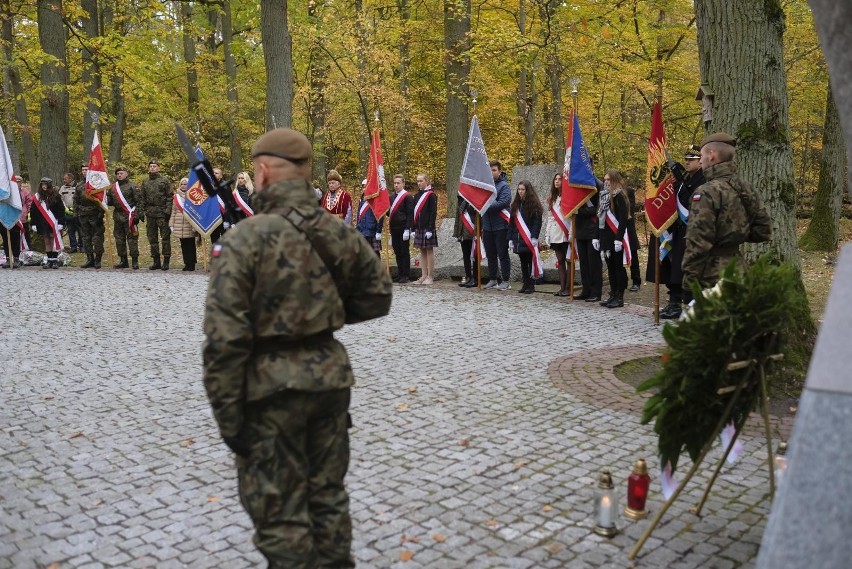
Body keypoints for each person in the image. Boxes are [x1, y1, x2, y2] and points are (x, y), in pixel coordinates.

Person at [202, 127, 391, 568]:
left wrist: (230, 422)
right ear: (307, 174)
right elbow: (378, 296)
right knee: (327, 499)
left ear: (263, 172)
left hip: (270, 395)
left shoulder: (245, 239)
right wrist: (321, 314)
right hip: (329, 381)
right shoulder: (336, 231)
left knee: (281, 515)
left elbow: (224, 341)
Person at [682, 132, 771, 289]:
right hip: (740, 271)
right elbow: (763, 231)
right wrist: (734, 235)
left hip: (710, 278)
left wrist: (690, 283)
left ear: (712, 155)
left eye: (701, 156)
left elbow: (697, 243)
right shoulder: (745, 188)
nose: (700, 161)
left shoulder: (706, 192)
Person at [646, 145, 707, 319]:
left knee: (681, 269)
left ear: (700, 162)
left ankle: (680, 303)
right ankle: (673, 301)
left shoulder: (703, 180)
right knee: (672, 267)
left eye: (691, 160)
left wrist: (680, 180)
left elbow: (692, 202)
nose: (687, 162)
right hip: (677, 229)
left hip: (691, 229)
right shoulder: (686, 177)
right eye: (686, 159)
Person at [594, 169, 631, 308]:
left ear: (615, 180)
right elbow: (600, 217)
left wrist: (618, 239)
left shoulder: (620, 195)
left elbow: (623, 219)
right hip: (605, 236)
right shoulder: (603, 195)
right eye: (605, 180)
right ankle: (613, 293)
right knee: (610, 267)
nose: (606, 182)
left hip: (616, 236)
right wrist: (596, 237)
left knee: (618, 267)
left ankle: (619, 296)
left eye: (609, 179)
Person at [507, 180, 543, 294]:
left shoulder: (534, 205)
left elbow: (537, 222)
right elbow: (512, 223)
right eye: (519, 189)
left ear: (528, 191)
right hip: (518, 239)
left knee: (530, 262)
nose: (520, 192)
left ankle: (531, 285)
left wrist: (534, 237)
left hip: (528, 239)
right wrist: (510, 239)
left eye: (523, 189)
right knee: (523, 262)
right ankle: (525, 283)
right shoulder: (516, 205)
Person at [482, 160, 512, 290]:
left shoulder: (504, 186)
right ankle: (493, 278)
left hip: (501, 226)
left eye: (494, 170)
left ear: (499, 171)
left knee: (502, 254)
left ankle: (505, 280)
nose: (491, 172)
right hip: (487, 226)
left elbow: (503, 202)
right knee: (490, 255)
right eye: (490, 170)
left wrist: (486, 204)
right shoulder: (484, 185)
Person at [108, 164, 142, 269]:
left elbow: (139, 202)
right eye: (117, 174)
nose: (119, 175)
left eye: (121, 173)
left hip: (130, 216)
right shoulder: (113, 187)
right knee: (119, 239)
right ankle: (123, 260)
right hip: (118, 216)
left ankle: (135, 261)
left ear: (126, 174)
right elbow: (110, 202)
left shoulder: (132, 186)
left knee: (132, 239)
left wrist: (137, 216)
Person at [140, 159, 173, 270]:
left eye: (154, 166)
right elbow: (142, 198)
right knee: (152, 238)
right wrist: (142, 211)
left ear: (158, 168)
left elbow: (170, 196)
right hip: (150, 214)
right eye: (151, 166)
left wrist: (167, 211)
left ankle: (166, 260)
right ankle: (156, 261)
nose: (152, 168)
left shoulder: (165, 181)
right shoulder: (145, 182)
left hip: (162, 213)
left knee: (165, 238)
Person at [574, 177, 603, 301]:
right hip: (580, 229)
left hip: (592, 229)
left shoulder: (597, 184)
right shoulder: (576, 183)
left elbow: (598, 208)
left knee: (593, 263)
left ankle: (596, 291)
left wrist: (580, 211)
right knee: (584, 263)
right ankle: (586, 289)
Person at [74, 165, 106, 269]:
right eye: (83, 170)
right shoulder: (79, 185)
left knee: (97, 238)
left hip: (95, 215)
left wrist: (101, 215)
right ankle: (90, 258)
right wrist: (76, 215)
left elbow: (102, 201)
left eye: (86, 170)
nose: (84, 171)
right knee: (86, 238)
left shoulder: (96, 184)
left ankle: (98, 259)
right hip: (83, 215)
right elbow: (75, 201)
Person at [544, 172, 570, 296]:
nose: (557, 181)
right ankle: (562, 287)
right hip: (555, 233)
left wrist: (570, 232)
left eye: (560, 179)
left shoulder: (568, 196)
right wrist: (547, 234)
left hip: (566, 232)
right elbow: (550, 217)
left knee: (568, 260)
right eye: (555, 179)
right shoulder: (551, 198)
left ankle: (568, 288)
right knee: (560, 261)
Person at [31, 178, 66, 269]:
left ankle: (55, 260)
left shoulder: (56, 195)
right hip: (42, 222)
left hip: (54, 221)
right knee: (46, 241)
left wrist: (61, 222)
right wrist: (33, 223)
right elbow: (33, 210)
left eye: (45, 184)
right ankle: (49, 260)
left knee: (53, 240)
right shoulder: (37, 196)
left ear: (49, 185)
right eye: (42, 184)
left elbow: (61, 210)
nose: (44, 186)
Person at [411, 172, 437, 285]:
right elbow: (414, 213)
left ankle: (430, 276)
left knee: (429, 250)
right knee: (422, 251)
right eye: (418, 181)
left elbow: (433, 213)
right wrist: (413, 228)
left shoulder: (431, 195)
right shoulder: (416, 196)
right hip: (419, 227)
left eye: (421, 181)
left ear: (427, 181)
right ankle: (423, 275)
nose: (419, 183)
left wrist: (430, 229)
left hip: (428, 228)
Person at [388, 174, 413, 283]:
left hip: (403, 228)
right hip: (394, 228)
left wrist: (408, 228)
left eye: (398, 183)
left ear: (403, 183)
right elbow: (390, 213)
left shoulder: (407, 196)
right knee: (397, 251)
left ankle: (405, 274)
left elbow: (410, 213)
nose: (396, 185)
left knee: (404, 251)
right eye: (395, 183)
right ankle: (399, 273)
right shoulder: (391, 197)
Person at [1, 177, 31, 268]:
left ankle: (17, 258)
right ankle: (8, 259)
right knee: (6, 239)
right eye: (15, 181)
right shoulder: (4, 192)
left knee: (16, 238)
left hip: (18, 219)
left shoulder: (23, 192)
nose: (16, 183)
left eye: (18, 182)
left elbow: (28, 202)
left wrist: (28, 213)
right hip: (4, 218)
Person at [169, 177, 198, 271]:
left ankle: (192, 264)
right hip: (179, 223)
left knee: (191, 245)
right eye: (182, 184)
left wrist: (195, 225)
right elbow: (173, 211)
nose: (183, 185)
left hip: (189, 223)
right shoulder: (176, 197)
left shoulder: (193, 195)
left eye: (185, 184)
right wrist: (171, 224)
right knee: (183, 245)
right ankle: (186, 263)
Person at [452, 193, 476, 288]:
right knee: (466, 256)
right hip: (462, 232)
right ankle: (468, 276)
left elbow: (476, 215)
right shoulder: (460, 198)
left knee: (474, 256)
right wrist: (457, 232)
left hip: (472, 231)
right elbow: (458, 216)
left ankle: (475, 277)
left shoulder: (474, 198)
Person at [355, 178, 383, 257]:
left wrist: (378, 230)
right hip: (362, 230)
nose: (365, 188)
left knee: (375, 254)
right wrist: (358, 227)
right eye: (363, 187)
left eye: (366, 186)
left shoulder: (375, 199)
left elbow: (380, 216)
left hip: (372, 231)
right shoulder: (361, 200)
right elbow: (358, 215)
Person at [58, 172, 82, 253]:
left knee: (80, 230)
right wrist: (65, 208)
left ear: (71, 179)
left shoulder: (78, 186)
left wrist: (77, 208)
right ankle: (73, 246)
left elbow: (81, 198)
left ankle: (81, 246)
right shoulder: (62, 188)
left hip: (78, 212)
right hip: (68, 212)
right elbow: (60, 199)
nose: (64, 180)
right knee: (70, 230)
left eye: (65, 179)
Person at [626, 184, 642, 291]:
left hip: (628, 228)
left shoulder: (629, 191)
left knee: (633, 256)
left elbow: (630, 210)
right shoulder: (608, 192)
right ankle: (621, 282)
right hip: (615, 229)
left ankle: (636, 281)